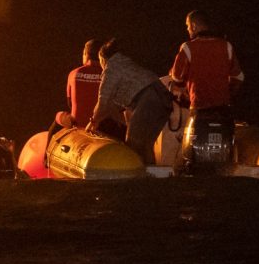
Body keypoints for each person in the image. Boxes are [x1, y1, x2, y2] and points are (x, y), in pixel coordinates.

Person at [168, 10, 244, 172]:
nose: (188, 30)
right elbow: (239, 77)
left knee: (185, 160)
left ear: (194, 26)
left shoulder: (188, 48)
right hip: (223, 111)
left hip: (199, 110)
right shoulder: (227, 46)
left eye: (188, 26)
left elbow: (176, 78)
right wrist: (228, 94)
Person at [86, 39, 173, 164]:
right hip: (163, 98)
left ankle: (136, 177)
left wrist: (93, 122)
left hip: (148, 98)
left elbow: (103, 102)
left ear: (102, 58)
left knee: (134, 142)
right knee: (145, 144)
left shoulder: (111, 68)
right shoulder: (127, 65)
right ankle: (150, 177)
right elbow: (113, 108)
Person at [66, 39, 103, 127]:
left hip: (78, 125)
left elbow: (69, 103)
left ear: (86, 54)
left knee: (58, 117)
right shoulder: (109, 74)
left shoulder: (73, 73)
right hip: (103, 125)